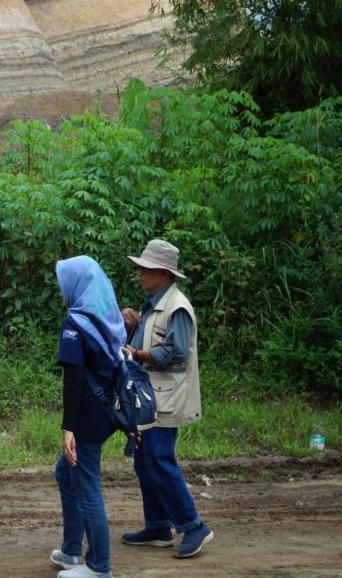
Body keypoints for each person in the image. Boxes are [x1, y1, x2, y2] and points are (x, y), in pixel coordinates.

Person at [118, 239, 213, 559]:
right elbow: (154, 338)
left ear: (162, 272)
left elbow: (176, 351)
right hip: (151, 395)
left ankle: (193, 525)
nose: (140, 274)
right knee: (145, 462)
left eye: (145, 269)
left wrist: (138, 353)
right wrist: (132, 324)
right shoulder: (155, 302)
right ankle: (158, 526)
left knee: (159, 459)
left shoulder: (178, 306)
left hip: (167, 396)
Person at [49, 256, 126, 578]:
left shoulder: (76, 324)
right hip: (105, 409)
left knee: (87, 485)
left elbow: (74, 380)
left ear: (76, 285)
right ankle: (70, 550)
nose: (60, 288)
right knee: (65, 475)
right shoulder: (106, 317)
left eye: (63, 282)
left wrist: (69, 428)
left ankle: (99, 566)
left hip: (88, 418)